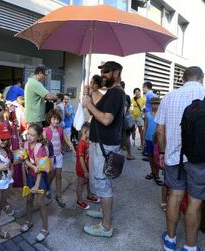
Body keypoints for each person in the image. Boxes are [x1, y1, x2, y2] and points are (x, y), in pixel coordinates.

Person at [155, 66, 205, 251]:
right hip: (204, 159)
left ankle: (170, 240)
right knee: (195, 202)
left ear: (182, 78)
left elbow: (159, 130)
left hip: (174, 157)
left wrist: (163, 152)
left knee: (174, 196)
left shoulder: (169, 96)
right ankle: (190, 247)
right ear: (202, 78)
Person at [81, 61, 125, 237]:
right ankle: (103, 211)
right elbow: (99, 115)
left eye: (106, 71)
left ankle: (106, 227)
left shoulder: (115, 93)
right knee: (102, 181)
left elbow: (106, 119)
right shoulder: (111, 93)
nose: (103, 75)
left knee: (103, 185)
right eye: (103, 71)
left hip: (103, 146)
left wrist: (89, 105)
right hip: (101, 144)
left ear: (116, 73)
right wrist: (89, 99)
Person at [21, 124, 50, 242]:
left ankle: (45, 229)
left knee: (40, 202)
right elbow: (25, 159)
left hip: (40, 178)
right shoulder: (26, 144)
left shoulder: (40, 149)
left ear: (38, 137)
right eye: (28, 134)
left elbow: (41, 170)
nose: (29, 137)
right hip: (30, 176)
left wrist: (37, 185)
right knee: (28, 200)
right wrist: (32, 166)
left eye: (33, 135)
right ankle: (28, 221)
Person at [44, 110, 75, 207]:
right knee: (51, 175)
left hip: (58, 156)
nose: (56, 121)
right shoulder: (45, 130)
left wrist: (74, 149)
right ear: (50, 119)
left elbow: (67, 140)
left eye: (57, 119)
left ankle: (58, 195)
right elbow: (42, 144)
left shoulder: (61, 129)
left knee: (59, 176)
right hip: (50, 157)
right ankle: (46, 187)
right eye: (54, 119)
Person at [76, 122, 100, 210]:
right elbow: (81, 158)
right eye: (91, 132)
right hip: (82, 168)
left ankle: (89, 195)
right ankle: (79, 200)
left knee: (90, 181)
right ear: (85, 131)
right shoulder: (81, 144)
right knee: (80, 183)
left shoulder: (88, 141)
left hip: (89, 166)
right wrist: (85, 170)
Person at [143, 97, 163, 186]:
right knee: (150, 157)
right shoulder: (147, 114)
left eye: (157, 103)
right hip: (149, 139)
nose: (155, 105)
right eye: (153, 103)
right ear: (150, 104)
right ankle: (153, 172)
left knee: (157, 158)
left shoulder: (162, 115)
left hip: (158, 140)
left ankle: (157, 175)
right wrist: (143, 139)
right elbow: (145, 127)